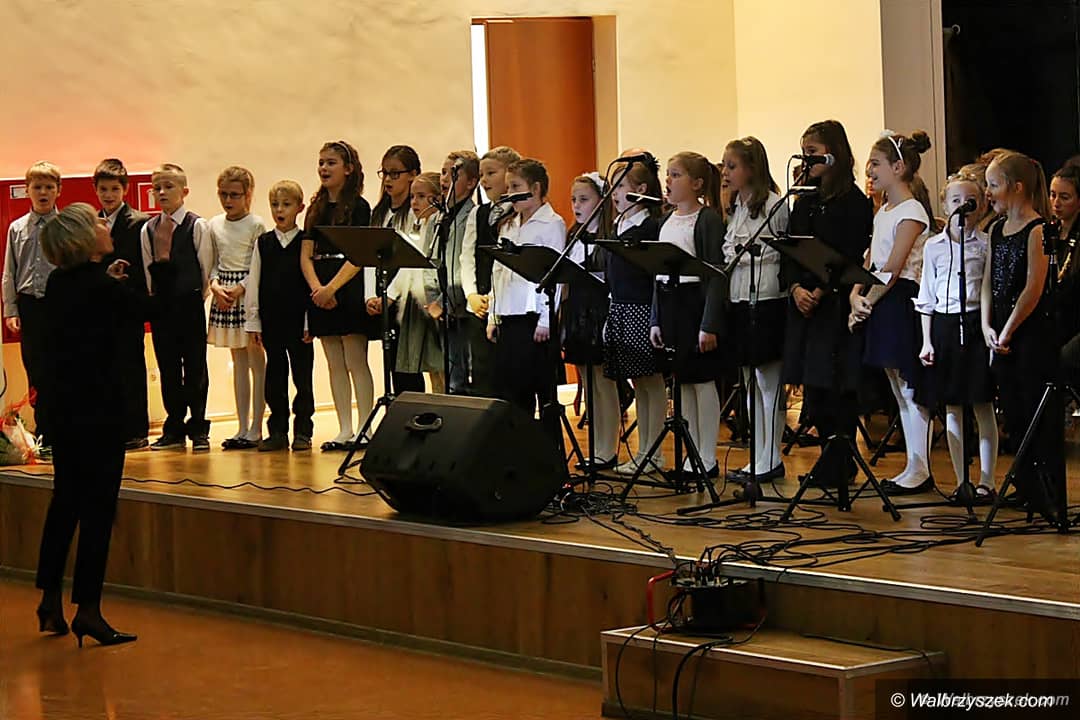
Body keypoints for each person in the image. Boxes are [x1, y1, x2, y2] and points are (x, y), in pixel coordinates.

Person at [34, 202, 137, 647]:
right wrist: (164, 271)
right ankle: (89, 610)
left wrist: (107, 279)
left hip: (64, 411)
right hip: (101, 413)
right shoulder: (104, 288)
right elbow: (151, 310)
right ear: (83, 238)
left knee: (65, 503)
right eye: (97, 222)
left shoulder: (59, 283)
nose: (104, 224)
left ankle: (49, 599)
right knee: (97, 511)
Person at [781, 120, 874, 485]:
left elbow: (850, 253)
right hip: (803, 303)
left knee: (835, 385)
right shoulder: (805, 200)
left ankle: (841, 460)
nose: (807, 159)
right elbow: (791, 249)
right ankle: (827, 457)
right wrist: (795, 288)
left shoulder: (854, 202)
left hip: (833, 304)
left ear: (834, 154)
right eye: (804, 152)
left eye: (813, 152)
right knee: (813, 387)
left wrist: (820, 290)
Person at [850, 130, 935, 495]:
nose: (869, 170)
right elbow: (871, 259)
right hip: (880, 298)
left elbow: (894, 267)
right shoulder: (883, 210)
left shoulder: (912, 211)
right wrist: (854, 295)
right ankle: (912, 465)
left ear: (898, 167)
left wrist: (868, 299)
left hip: (901, 300)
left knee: (910, 386)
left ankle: (921, 466)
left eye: (875, 163)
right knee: (897, 389)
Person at [982, 151, 1065, 524]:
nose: (987, 192)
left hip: (1029, 335)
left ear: (1016, 187)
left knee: (1036, 414)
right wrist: (987, 325)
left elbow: (1033, 288)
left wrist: (1008, 329)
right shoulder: (996, 229)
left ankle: (1048, 493)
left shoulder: (1039, 230)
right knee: (1013, 414)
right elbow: (987, 281)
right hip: (1001, 333)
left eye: (993, 185)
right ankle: (1026, 486)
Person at [915, 171, 998, 501]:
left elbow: (988, 290)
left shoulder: (986, 244)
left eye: (970, 201)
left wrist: (988, 327)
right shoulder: (933, 246)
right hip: (944, 325)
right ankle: (962, 480)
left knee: (982, 402)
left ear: (981, 207)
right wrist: (927, 340)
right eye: (955, 200)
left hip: (975, 322)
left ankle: (987, 481)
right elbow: (926, 295)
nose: (962, 206)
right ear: (945, 205)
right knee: (952, 406)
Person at [649, 151, 727, 478]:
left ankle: (707, 456)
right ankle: (690, 453)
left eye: (676, 174)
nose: (668, 180)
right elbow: (658, 272)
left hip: (694, 304)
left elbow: (715, 274)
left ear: (696, 183)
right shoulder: (666, 221)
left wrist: (709, 323)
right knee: (682, 383)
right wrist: (655, 318)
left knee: (702, 381)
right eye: (668, 174)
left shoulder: (707, 220)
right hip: (670, 304)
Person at [720, 137, 789, 482]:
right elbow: (728, 250)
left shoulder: (774, 205)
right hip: (740, 298)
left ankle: (771, 455)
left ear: (752, 168)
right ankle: (758, 453)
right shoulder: (737, 206)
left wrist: (745, 253)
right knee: (749, 380)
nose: (725, 172)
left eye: (731, 166)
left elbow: (779, 251)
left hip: (767, 299)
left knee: (768, 382)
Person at [300, 140, 375, 452]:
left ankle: (364, 427)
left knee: (356, 359)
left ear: (348, 169)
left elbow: (360, 255)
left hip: (348, 284)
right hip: (319, 286)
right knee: (333, 362)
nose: (324, 168)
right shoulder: (315, 208)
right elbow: (306, 255)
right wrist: (318, 288)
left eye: (331, 162)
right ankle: (344, 428)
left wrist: (332, 288)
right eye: (321, 162)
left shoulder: (360, 206)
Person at [140, 163, 214, 452]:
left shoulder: (197, 226)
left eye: (168, 187)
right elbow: (148, 268)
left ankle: (198, 427)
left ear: (184, 191)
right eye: (157, 188)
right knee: (168, 367)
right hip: (162, 305)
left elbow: (205, 265)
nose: (162, 192)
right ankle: (174, 427)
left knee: (195, 366)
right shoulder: (149, 228)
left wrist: (197, 295)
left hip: (189, 302)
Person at [488, 158, 565, 421]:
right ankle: (518, 442)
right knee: (512, 391)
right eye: (508, 187)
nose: (509, 193)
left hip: (533, 319)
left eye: (515, 186)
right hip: (508, 314)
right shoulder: (508, 225)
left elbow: (554, 275)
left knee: (539, 388)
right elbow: (498, 272)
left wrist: (546, 319)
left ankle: (545, 443)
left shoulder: (551, 224)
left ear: (535, 188)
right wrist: (493, 315)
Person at [606, 154, 668, 476]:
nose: (614, 193)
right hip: (621, 307)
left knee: (651, 382)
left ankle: (653, 452)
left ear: (641, 189)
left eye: (620, 186)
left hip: (642, 308)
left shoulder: (649, 226)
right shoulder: (619, 225)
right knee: (638, 383)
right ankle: (644, 449)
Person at [245, 181, 315, 452]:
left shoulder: (305, 242)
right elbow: (254, 282)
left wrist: (310, 321)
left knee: (302, 377)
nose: (279, 210)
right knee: (274, 377)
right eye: (275, 205)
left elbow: (310, 283)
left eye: (286, 205)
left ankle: (303, 430)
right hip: (272, 320)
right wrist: (254, 321)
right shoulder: (264, 243)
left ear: (300, 207)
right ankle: (277, 431)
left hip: (299, 322)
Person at [2, 161, 61, 458]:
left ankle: (60, 430)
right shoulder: (17, 228)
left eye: (49, 187)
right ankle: (43, 431)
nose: (43, 192)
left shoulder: (65, 227)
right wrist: (10, 309)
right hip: (30, 307)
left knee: (60, 368)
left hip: (59, 306)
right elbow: (9, 272)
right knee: (36, 369)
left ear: (58, 191)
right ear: (27, 190)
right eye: (37, 187)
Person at [93, 159, 151, 451]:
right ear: (96, 190)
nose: (108, 195)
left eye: (114, 189)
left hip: (128, 306)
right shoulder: (92, 222)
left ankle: (137, 429)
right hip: (100, 308)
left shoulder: (139, 222)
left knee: (131, 367)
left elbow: (144, 265)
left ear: (125, 190)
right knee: (106, 368)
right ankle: (111, 427)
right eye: (103, 189)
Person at [208, 166, 268, 450]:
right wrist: (215, 286)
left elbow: (258, 264)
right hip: (225, 296)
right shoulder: (214, 224)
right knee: (238, 362)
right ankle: (242, 425)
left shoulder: (256, 224)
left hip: (248, 294)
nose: (228, 200)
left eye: (234, 195)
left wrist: (242, 287)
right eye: (223, 194)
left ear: (248, 194)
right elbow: (212, 261)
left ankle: (257, 427)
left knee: (257, 361)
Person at [563, 172, 619, 468]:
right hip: (578, 312)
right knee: (587, 380)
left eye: (584, 199)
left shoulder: (608, 236)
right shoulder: (573, 235)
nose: (576, 205)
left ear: (601, 201)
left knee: (603, 382)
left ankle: (608, 448)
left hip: (600, 312)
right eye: (574, 199)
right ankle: (596, 446)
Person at [371, 172, 445, 391]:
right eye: (412, 197)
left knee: (442, 366)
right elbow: (408, 267)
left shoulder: (439, 226)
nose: (414, 202)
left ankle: (445, 404)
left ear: (437, 198)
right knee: (431, 367)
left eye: (421, 196)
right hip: (418, 302)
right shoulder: (418, 226)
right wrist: (390, 297)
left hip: (435, 301)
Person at [460, 145, 522, 396]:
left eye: (491, 173)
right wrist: (471, 294)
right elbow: (467, 256)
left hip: (505, 304)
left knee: (507, 374)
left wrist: (494, 299)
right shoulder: (478, 213)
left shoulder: (519, 212)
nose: (483, 180)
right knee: (482, 371)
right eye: (481, 175)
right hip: (480, 305)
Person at [368, 145, 423, 394]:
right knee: (391, 363)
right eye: (385, 173)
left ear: (412, 174)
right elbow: (369, 258)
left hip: (405, 299)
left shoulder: (414, 213)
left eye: (395, 174)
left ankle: (414, 410)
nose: (388, 180)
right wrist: (370, 295)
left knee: (407, 366)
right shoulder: (379, 212)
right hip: (381, 295)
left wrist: (390, 295)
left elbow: (411, 259)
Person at [438, 150, 481, 394]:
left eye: (453, 174)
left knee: (463, 373)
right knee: (449, 372)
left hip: (459, 305)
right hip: (441, 305)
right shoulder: (440, 215)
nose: (445, 179)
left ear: (472, 182)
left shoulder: (471, 215)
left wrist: (448, 299)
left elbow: (463, 263)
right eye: (443, 172)